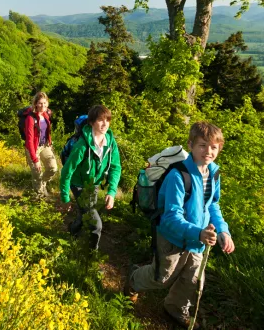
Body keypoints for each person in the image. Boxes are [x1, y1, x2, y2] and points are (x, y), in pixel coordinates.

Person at [127, 121, 235, 329]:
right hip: (172, 236)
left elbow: (212, 204)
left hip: (198, 239)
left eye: (214, 147)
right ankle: (133, 279)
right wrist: (199, 233)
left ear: (219, 148)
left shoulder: (213, 173)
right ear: (191, 145)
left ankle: (175, 308)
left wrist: (222, 230)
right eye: (202, 145)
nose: (208, 151)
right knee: (162, 277)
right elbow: (170, 217)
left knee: (192, 278)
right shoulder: (179, 176)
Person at [60, 105, 122, 250]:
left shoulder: (110, 142)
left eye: (107, 120)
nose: (105, 123)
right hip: (78, 183)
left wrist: (112, 192)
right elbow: (67, 171)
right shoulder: (82, 145)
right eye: (100, 120)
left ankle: (72, 231)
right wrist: (65, 197)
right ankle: (90, 255)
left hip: (93, 183)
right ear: (91, 122)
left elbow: (115, 167)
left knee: (85, 212)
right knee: (96, 224)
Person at [24, 91, 58, 197]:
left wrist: (50, 142)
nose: (43, 105)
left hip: (44, 146)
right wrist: (35, 160)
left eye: (45, 103)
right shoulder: (30, 118)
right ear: (35, 104)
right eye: (40, 103)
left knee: (53, 168)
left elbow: (47, 131)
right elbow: (29, 140)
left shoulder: (46, 115)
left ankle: (43, 183)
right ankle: (39, 197)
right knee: (37, 173)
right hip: (33, 148)